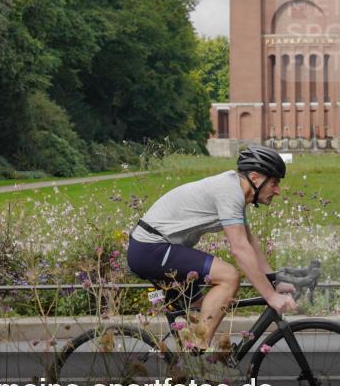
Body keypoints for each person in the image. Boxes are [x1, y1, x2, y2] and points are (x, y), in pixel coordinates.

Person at [127, 145, 298, 353]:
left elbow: (249, 243)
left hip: (155, 248)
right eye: (274, 183)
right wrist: (271, 296)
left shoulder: (234, 191)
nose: (278, 191)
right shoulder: (230, 192)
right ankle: (200, 348)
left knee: (204, 306)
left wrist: (274, 280)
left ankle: (188, 364)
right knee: (229, 276)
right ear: (255, 177)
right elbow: (240, 250)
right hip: (150, 248)